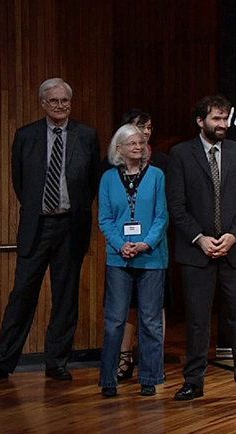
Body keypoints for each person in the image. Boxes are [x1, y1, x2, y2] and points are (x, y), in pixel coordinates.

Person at [0, 78, 100, 383]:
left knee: (66, 298)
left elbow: (92, 181)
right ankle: (1, 364)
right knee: (21, 296)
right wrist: (40, 208)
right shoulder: (26, 136)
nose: (61, 106)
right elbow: (20, 183)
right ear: (43, 103)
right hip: (37, 226)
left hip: (71, 226)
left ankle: (56, 362)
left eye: (65, 101)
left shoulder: (87, 135)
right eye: (54, 101)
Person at [167, 95, 236, 401]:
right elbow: (177, 205)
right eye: (217, 119)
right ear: (200, 121)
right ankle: (193, 380)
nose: (223, 124)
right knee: (196, 319)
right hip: (197, 252)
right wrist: (200, 238)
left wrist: (234, 236)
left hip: (235, 250)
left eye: (226, 118)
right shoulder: (180, 154)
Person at [97, 124, 168, 397]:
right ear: (119, 149)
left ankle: (150, 377)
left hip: (151, 256)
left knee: (150, 321)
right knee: (115, 320)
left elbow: (161, 216)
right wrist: (121, 245)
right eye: (132, 144)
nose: (139, 147)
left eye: (142, 143)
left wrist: (144, 243)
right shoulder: (107, 178)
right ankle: (108, 379)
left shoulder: (157, 175)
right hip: (119, 258)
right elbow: (105, 219)